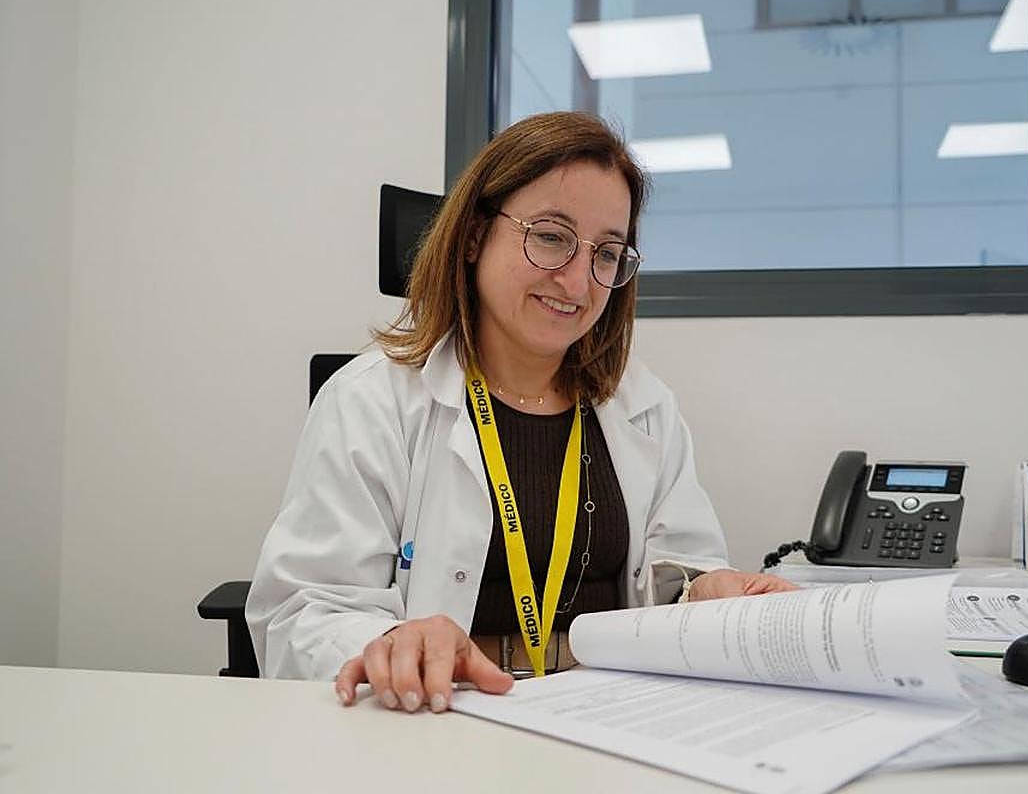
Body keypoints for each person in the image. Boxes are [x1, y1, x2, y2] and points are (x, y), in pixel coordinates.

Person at [245, 111, 795, 714]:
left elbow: (676, 571)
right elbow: (307, 609)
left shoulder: (643, 408)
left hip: (614, 714)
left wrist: (703, 591)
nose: (579, 282)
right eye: (552, 236)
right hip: (450, 714)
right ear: (477, 235)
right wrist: (390, 645)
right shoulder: (371, 400)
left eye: (607, 253)